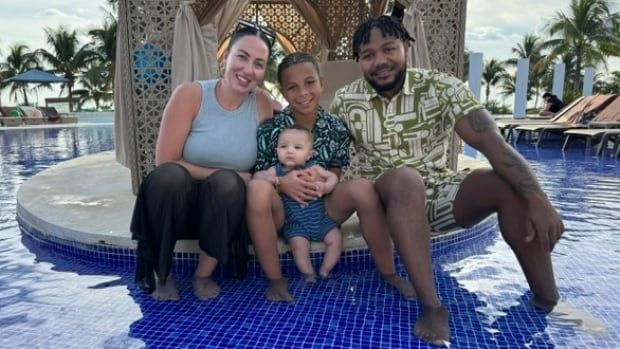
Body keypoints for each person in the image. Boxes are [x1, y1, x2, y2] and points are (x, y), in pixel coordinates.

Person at [330, 16, 564, 346]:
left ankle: (548, 298)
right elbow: (329, 158)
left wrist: (539, 199)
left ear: (406, 48)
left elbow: (491, 143)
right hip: (386, 199)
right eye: (368, 55)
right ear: (359, 62)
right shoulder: (346, 100)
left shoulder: (442, 87)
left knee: (505, 184)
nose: (379, 61)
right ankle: (432, 307)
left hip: (440, 193)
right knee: (405, 180)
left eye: (388, 49)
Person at [247, 52, 415, 303]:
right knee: (257, 190)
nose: (303, 92)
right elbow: (260, 176)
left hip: (321, 205)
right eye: (292, 87)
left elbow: (336, 170)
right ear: (283, 91)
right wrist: (283, 184)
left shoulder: (336, 127)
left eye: (309, 82)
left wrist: (324, 185)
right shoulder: (270, 129)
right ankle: (276, 280)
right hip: (285, 211)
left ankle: (388, 271)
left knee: (363, 188)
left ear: (321, 83)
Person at [130, 22, 275, 301]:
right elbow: (165, 161)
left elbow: (268, 157)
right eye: (242, 57)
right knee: (169, 177)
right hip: (177, 207)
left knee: (227, 184)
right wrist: (224, 172)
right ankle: (162, 272)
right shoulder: (191, 94)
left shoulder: (262, 104)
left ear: (263, 72)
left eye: (258, 63)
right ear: (225, 57)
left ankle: (203, 274)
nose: (248, 69)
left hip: (224, 211)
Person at [254, 125, 342, 282]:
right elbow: (257, 177)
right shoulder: (277, 170)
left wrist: (326, 186)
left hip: (320, 220)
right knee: (299, 247)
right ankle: (308, 274)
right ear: (277, 151)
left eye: (297, 147)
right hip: (295, 224)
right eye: (283, 146)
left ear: (309, 154)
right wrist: (272, 180)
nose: (289, 151)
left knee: (336, 239)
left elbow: (332, 177)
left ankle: (325, 270)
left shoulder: (314, 168)